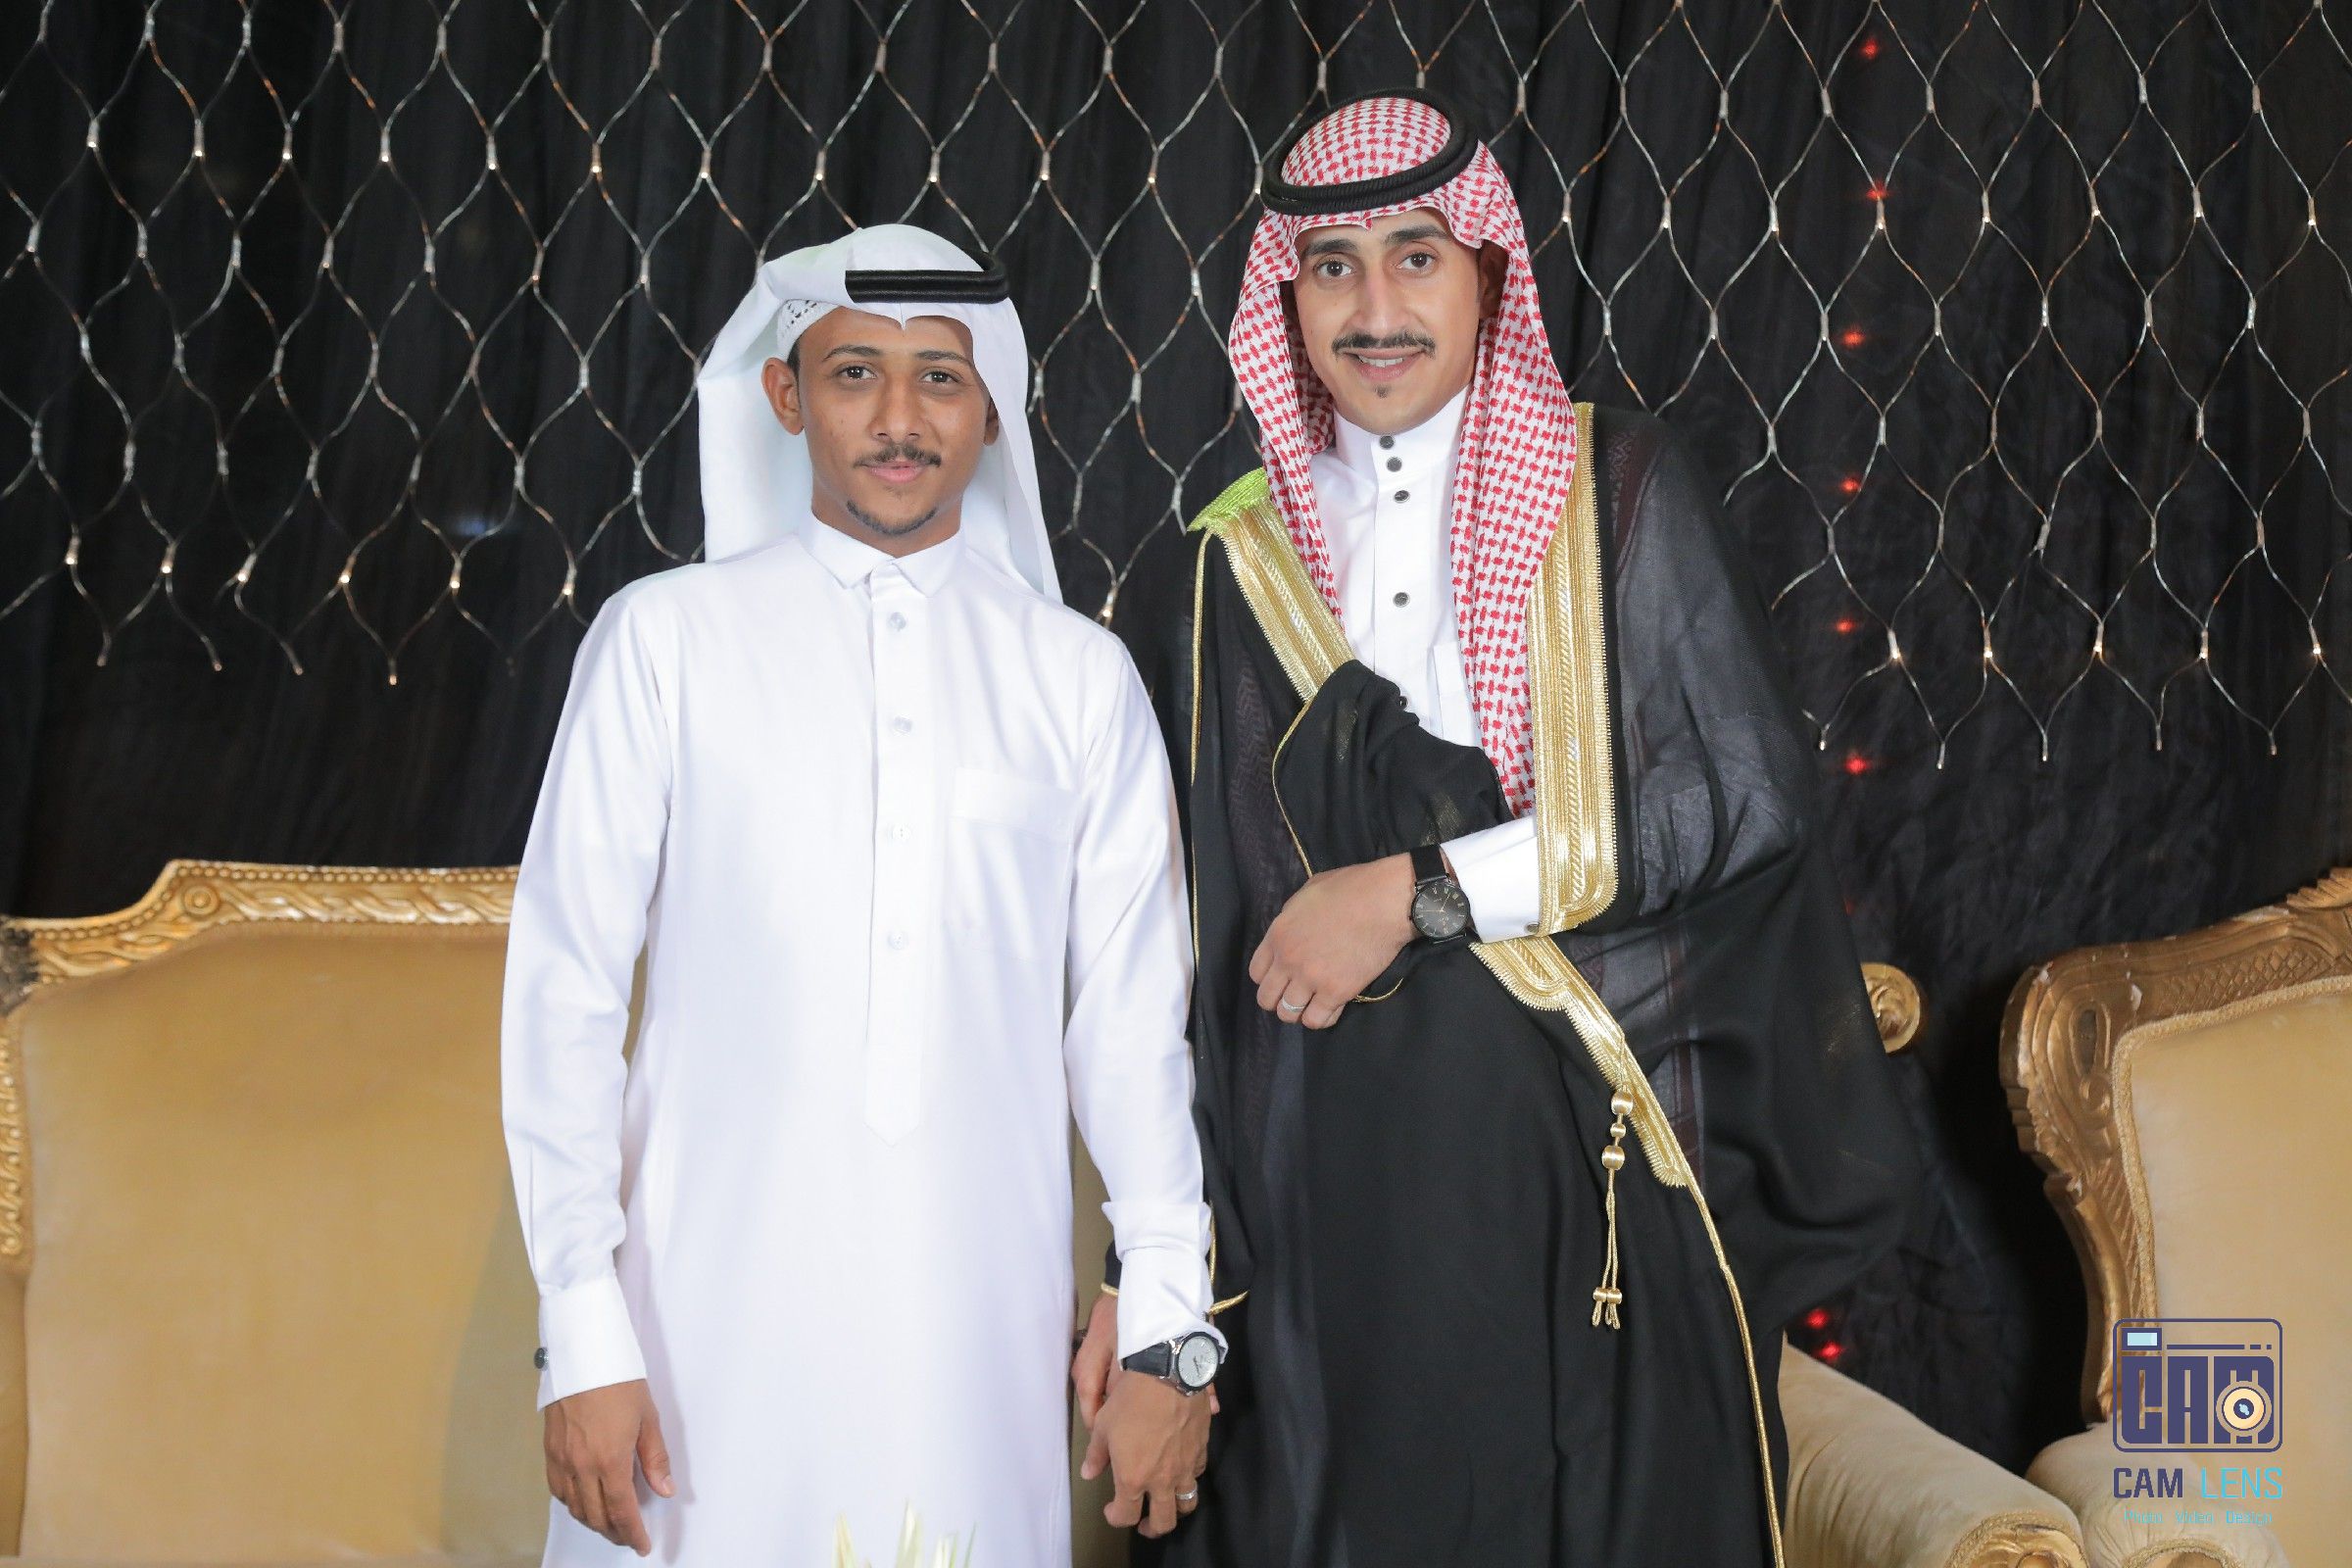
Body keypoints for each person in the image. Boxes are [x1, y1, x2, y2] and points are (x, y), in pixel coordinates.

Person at [1074, 92, 1918, 1566]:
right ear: (1287, 298)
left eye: (1416, 257)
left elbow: (1730, 796)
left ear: (1486, 274)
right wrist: (1154, 1293)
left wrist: (1417, 891)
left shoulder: (1615, 487)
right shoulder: (1223, 565)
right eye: (1332, 267)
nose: (1375, 309)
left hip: (1573, 1198)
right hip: (1317, 1235)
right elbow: (1176, 953)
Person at [503, 223, 1223, 1567]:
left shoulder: (1079, 679)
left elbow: (1134, 1034)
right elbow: (563, 995)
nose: (900, 418)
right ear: (786, 397)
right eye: (854, 375)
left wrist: (1170, 1323)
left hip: (974, 1329)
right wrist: (581, 1328)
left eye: (941, 376)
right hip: (691, 1328)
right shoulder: (664, 640)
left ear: (992, 405)